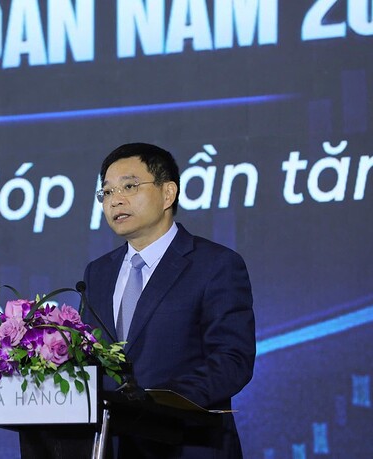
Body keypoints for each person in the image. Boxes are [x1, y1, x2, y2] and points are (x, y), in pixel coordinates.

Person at [81, 142, 256, 458]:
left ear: (168, 193)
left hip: (188, 444)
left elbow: (232, 359)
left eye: (129, 186)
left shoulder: (215, 264)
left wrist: (157, 404)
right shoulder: (98, 273)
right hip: (112, 446)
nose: (115, 200)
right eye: (106, 192)